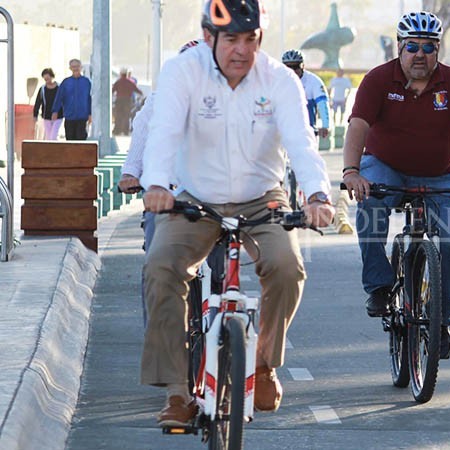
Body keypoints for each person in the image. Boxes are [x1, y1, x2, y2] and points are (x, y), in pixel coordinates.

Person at [139, 0, 334, 427]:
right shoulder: (182, 71)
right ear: (209, 37)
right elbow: (164, 131)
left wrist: (318, 195)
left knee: (287, 266)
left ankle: (263, 364)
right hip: (195, 198)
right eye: (231, 39)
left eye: (251, 39)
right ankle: (176, 391)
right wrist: (155, 184)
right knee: (160, 267)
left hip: (261, 197)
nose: (241, 51)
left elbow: (301, 142)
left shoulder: (280, 79)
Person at [341, 11, 450, 359]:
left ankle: (442, 321)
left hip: (440, 175)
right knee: (371, 205)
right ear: (400, 47)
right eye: (412, 47)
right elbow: (358, 127)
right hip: (385, 168)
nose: (420, 54)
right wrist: (351, 172)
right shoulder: (377, 80)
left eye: (428, 47)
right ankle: (378, 284)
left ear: (438, 50)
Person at [119, 39, 203, 327]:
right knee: (156, 267)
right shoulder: (159, 99)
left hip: (213, 197)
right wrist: (131, 172)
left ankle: (226, 315)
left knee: (228, 261)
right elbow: (142, 134)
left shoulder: (223, 99)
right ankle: (157, 334)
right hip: (168, 196)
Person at [281, 49, 330, 139]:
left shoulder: (313, 81)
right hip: (286, 131)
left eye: (296, 67)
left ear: (303, 66)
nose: (293, 71)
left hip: (307, 133)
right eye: (288, 67)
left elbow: (322, 104)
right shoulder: (278, 81)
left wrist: (325, 125)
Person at [52, 58, 92, 141]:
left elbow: (90, 98)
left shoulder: (86, 82)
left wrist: (90, 114)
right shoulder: (66, 82)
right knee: (70, 140)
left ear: (81, 67)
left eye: (77, 66)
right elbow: (59, 97)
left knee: (81, 140)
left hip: (82, 116)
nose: (75, 68)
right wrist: (55, 111)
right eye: (73, 66)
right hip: (69, 116)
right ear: (70, 68)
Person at [32, 68, 63, 140]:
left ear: (52, 77)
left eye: (48, 79)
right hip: (46, 116)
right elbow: (38, 102)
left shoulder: (60, 87)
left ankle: (55, 150)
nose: (47, 81)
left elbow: (64, 101)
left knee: (53, 136)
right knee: (48, 137)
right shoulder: (42, 89)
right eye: (45, 79)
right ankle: (51, 150)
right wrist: (35, 115)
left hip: (58, 116)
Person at [112, 67, 143, 135]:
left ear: (120, 73)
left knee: (118, 116)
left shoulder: (118, 82)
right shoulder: (130, 82)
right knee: (126, 116)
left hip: (119, 100)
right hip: (127, 101)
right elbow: (137, 90)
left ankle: (117, 130)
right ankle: (125, 131)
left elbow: (112, 90)